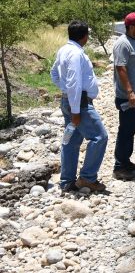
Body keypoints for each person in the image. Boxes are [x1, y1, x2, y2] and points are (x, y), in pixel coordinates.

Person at [50, 20, 108, 192]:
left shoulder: (63, 50)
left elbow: (53, 73)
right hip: (79, 104)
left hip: (68, 100)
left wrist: (63, 89)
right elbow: (74, 83)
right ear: (85, 36)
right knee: (99, 137)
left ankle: (67, 181)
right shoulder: (76, 53)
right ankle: (87, 178)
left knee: (72, 141)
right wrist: (76, 110)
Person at [112, 12, 135, 180]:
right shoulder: (123, 44)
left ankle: (126, 161)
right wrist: (130, 92)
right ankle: (119, 167)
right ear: (131, 26)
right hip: (128, 97)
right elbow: (121, 68)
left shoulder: (134, 41)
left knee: (131, 130)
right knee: (125, 130)